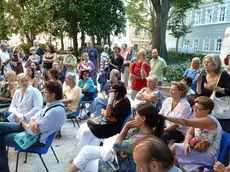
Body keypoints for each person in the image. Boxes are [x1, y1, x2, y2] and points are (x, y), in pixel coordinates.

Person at [69, 103, 164, 172]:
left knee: (84, 163)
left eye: (136, 115)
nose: (134, 117)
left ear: (143, 119)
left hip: (119, 167)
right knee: (85, 152)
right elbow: (121, 143)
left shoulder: (139, 139)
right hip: (117, 157)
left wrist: (126, 128)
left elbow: (116, 145)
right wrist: (123, 148)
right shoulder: (141, 130)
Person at [0, 81, 66, 172]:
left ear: (53, 95)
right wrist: (31, 122)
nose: (43, 94)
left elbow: (33, 131)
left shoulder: (55, 111)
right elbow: (35, 116)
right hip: (29, 130)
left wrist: (22, 121)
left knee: (1, 138)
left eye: (45, 92)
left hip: (35, 140)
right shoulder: (52, 105)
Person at [167, 96, 222, 172]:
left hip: (208, 155)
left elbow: (185, 122)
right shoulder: (198, 117)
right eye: (194, 107)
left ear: (207, 110)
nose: (194, 110)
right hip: (197, 149)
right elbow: (190, 132)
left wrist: (165, 117)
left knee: (174, 147)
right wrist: (186, 143)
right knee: (175, 156)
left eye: (197, 108)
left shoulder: (210, 121)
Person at [77, 83, 131, 147]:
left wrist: (110, 100)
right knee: (86, 126)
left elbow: (108, 114)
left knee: (87, 131)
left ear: (117, 93)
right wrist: (106, 114)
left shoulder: (123, 104)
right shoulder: (118, 99)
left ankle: (89, 146)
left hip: (113, 127)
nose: (110, 92)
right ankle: (89, 145)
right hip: (109, 122)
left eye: (112, 91)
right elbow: (104, 110)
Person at [196, 54, 230, 133]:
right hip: (208, 113)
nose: (205, 64)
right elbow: (200, 96)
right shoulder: (204, 76)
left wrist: (217, 88)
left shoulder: (224, 75)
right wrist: (199, 83)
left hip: (222, 114)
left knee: (223, 136)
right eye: (204, 62)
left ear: (215, 64)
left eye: (208, 62)